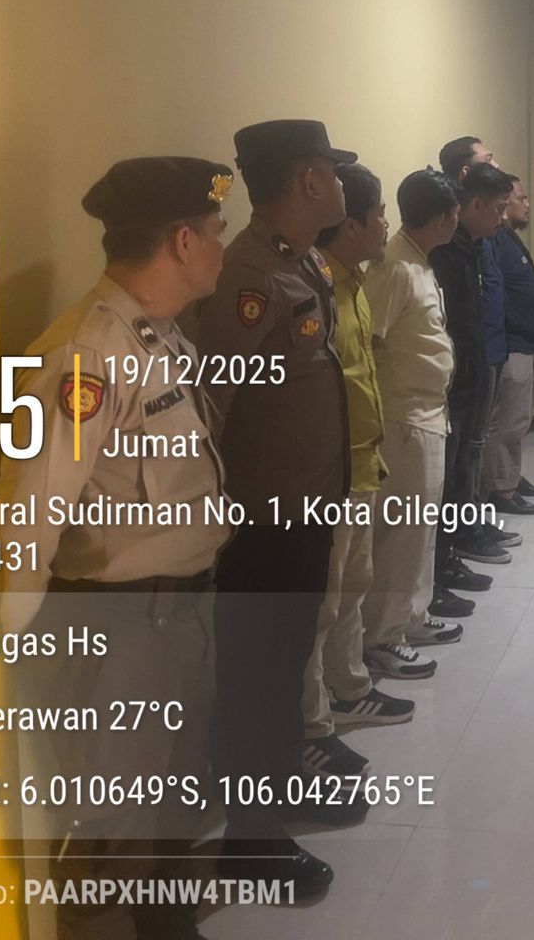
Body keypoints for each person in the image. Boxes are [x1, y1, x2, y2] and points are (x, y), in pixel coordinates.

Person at [0, 156, 234, 940]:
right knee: (118, 825)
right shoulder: (86, 355)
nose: (222, 244)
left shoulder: (156, 337)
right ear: (183, 241)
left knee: (172, 801)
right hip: (119, 627)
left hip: (176, 613)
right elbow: (29, 510)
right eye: (217, 228)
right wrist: (16, 648)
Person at [189, 119, 362, 898]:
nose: (340, 184)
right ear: (308, 180)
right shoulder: (250, 278)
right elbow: (212, 407)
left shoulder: (299, 259)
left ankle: (282, 791)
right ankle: (251, 843)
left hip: (304, 510)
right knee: (255, 682)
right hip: (263, 523)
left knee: (285, 666)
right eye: (332, 171)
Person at [302, 163, 419, 737]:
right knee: (322, 602)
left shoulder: (354, 284)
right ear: (351, 226)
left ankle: (350, 688)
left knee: (353, 585)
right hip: (328, 471)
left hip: (362, 463)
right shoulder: (314, 290)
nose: (386, 227)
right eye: (379, 216)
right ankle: (312, 718)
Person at [364, 169, 472, 650]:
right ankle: (385, 635)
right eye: (455, 213)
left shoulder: (418, 260)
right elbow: (369, 343)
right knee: (402, 534)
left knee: (421, 529)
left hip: (428, 415)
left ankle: (413, 616)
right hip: (403, 419)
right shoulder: (395, 268)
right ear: (444, 219)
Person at [430, 162, 518, 577]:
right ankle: (449, 551)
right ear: (476, 204)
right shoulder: (447, 251)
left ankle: (467, 529)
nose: (504, 216)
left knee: (468, 458)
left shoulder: (475, 246)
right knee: (453, 467)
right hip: (456, 378)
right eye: (498, 208)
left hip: (476, 367)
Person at [484, 174, 534, 513]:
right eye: (520, 199)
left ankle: (511, 476)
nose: (527, 204)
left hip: (527, 343)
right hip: (513, 345)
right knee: (508, 421)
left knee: (520, 419)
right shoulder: (493, 240)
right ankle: (501, 490)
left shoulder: (509, 237)